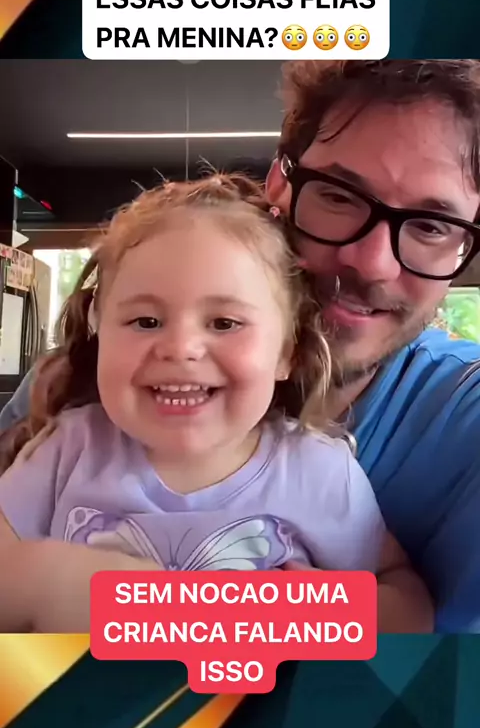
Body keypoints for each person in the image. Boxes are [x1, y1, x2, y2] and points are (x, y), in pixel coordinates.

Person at [0, 174, 431, 633]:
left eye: (224, 323)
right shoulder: (68, 449)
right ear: (100, 331)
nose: (181, 347)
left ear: (286, 351)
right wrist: (52, 577)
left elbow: (408, 607)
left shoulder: (318, 472)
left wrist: (306, 613)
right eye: (145, 321)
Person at [266, 58, 480, 633]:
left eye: (430, 225)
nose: (372, 263)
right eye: (339, 196)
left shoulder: (464, 417)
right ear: (280, 183)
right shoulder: (111, 383)